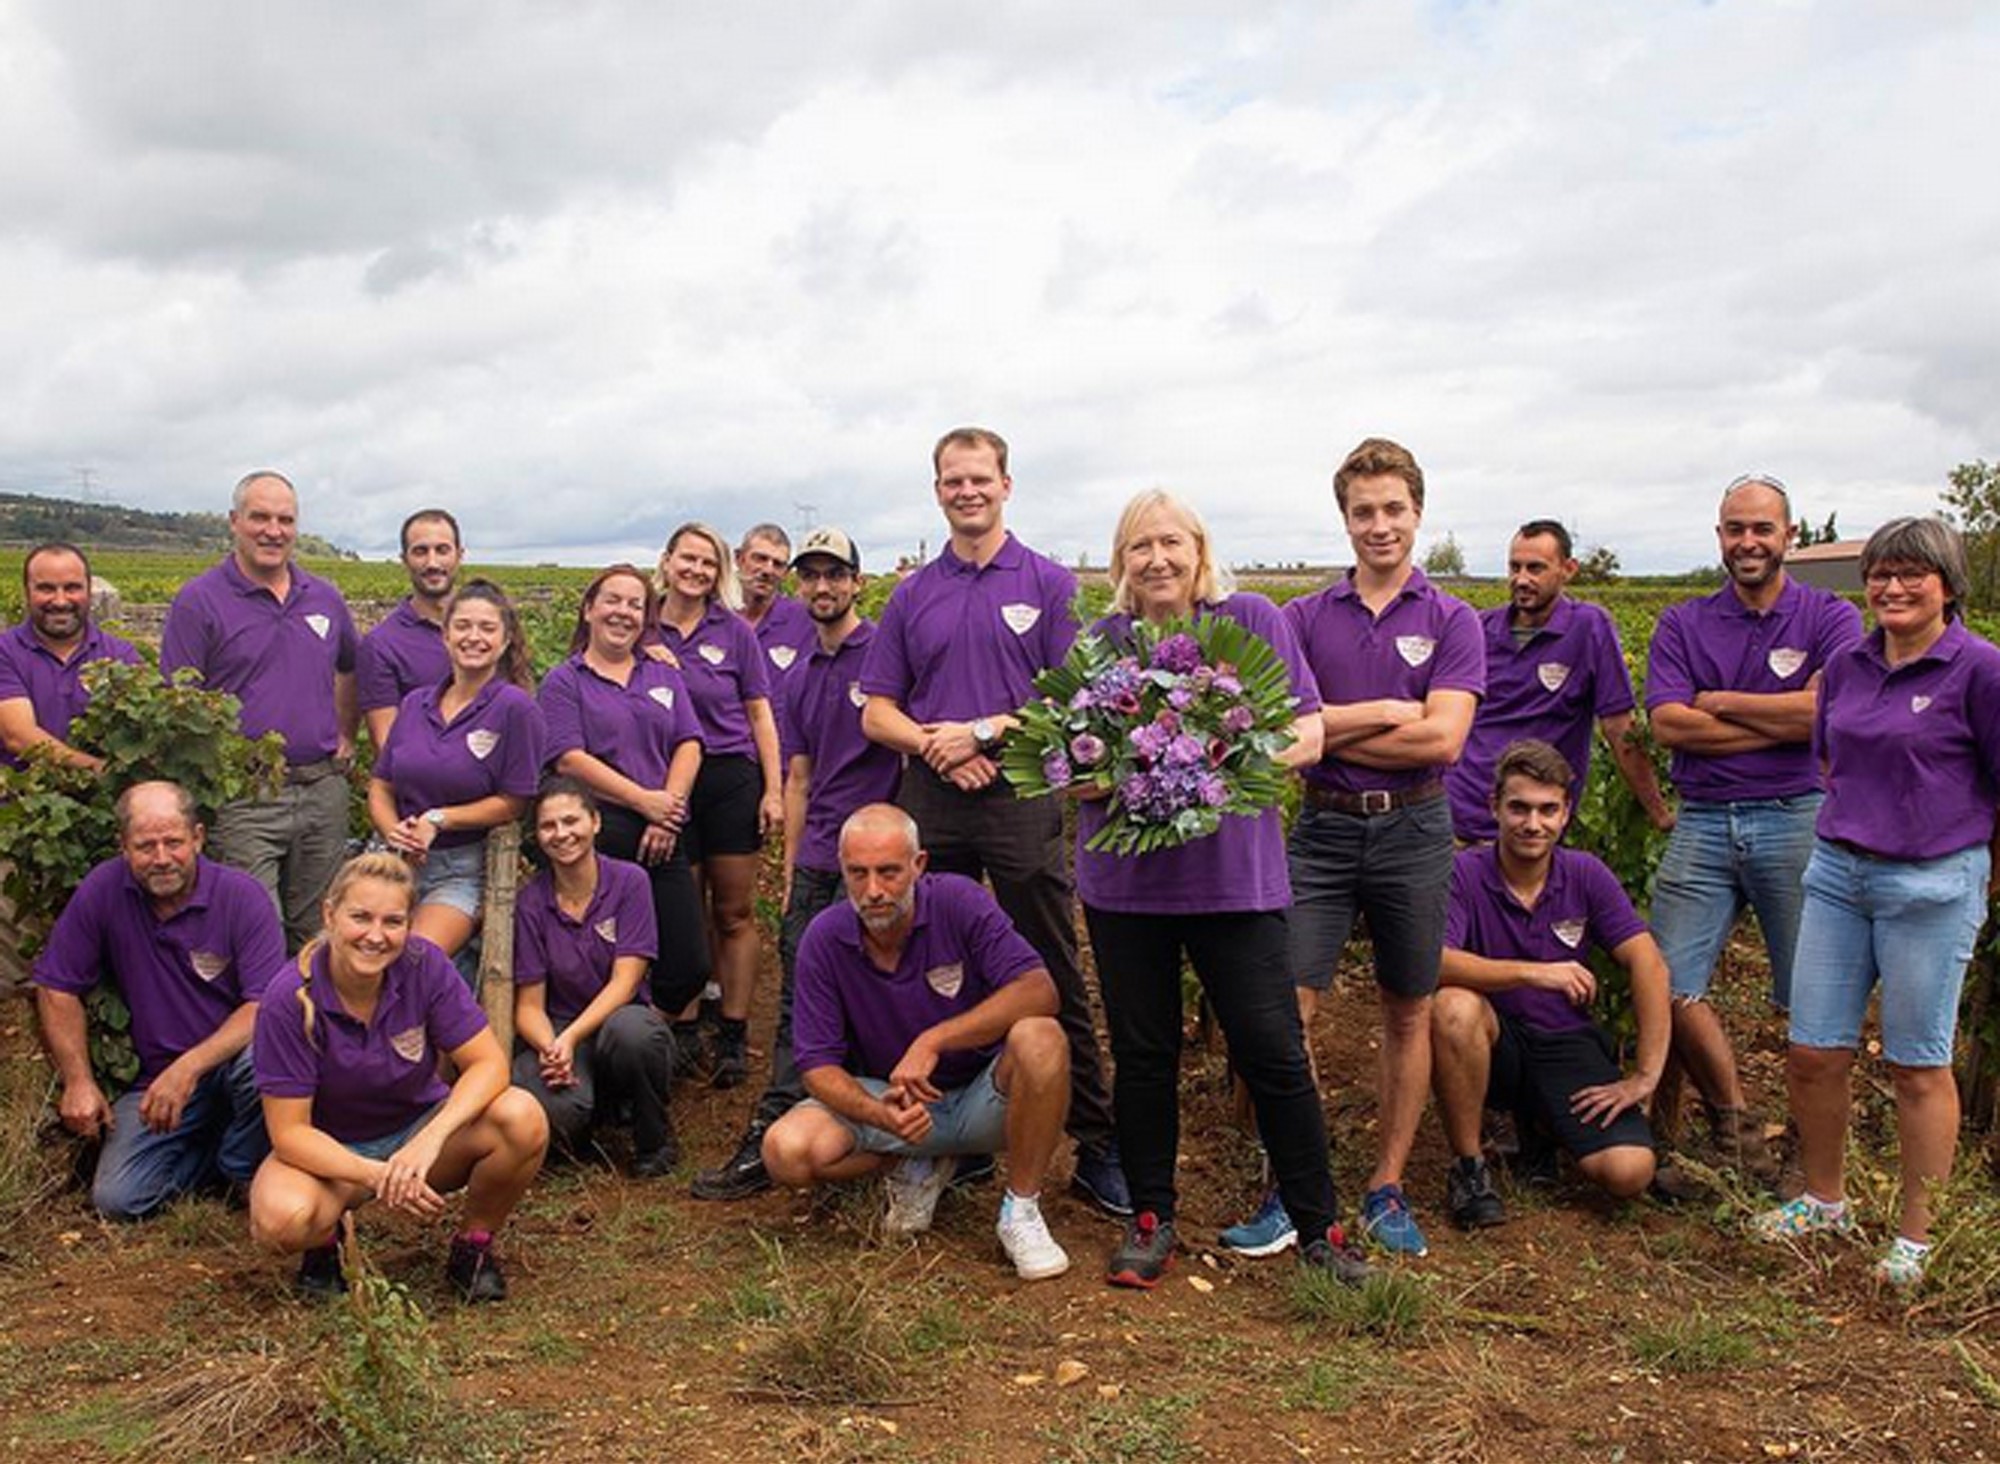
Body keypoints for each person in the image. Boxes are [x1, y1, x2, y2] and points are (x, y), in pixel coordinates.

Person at [1076, 490, 1370, 1288]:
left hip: (1234, 882)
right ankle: (1150, 1217)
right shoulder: (1100, 644)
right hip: (1125, 888)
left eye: (1172, 543)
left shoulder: (1252, 622)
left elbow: (1309, 730)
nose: (1158, 559)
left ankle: (1322, 1229)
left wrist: (1221, 767)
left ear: (1200, 552)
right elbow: (1067, 766)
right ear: (1121, 563)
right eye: (1140, 546)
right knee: (1143, 1055)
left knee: (1272, 1052)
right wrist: (1111, 771)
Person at [860, 426, 1127, 1214]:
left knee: (1047, 966)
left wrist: (983, 732)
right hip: (933, 801)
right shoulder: (912, 594)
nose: (967, 491)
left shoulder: (1046, 584)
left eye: (980, 479)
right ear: (937, 490)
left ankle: (1097, 1138)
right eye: (952, 481)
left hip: (1020, 796)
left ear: (1007, 485)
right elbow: (878, 710)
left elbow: (1075, 702)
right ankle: (963, 1135)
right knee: (932, 963)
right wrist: (935, 746)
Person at [1751, 518, 2000, 1290]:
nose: (1893, 587)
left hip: (1930, 885)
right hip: (1838, 875)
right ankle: (1825, 1201)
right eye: (1882, 573)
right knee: (1813, 1049)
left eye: (1912, 574)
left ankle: (1916, 1239)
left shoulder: (1981, 671)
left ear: (1949, 585)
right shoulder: (1848, 662)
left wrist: (1981, 877)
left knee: (1916, 1063)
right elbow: (1829, 754)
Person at [1271, 437, 1483, 1258]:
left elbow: (1445, 743)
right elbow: (1286, 737)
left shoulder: (1452, 618)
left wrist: (1331, 727)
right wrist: (1388, 713)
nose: (1379, 525)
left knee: (1408, 1008)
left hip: (1416, 827)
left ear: (1418, 514)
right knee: (1288, 1007)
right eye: (1364, 511)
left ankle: (1385, 1184)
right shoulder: (1301, 617)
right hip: (1321, 827)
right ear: (1345, 520)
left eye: (1393, 509)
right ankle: (1295, 1180)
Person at [1646, 474, 1862, 1186]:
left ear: (1789, 536)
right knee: (1667, 981)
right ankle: (1738, 1129)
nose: (1748, 542)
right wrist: (1782, 718)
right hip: (1703, 818)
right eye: (1735, 528)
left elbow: (1823, 717)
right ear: (1719, 537)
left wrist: (1720, 705)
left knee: (1814, 996)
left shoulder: (1831, 617)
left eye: (1762, 529)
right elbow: (1668, 723)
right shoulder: (1684, 622)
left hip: (1798, 814)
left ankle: (1810, 1149)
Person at [762, 805, 1073, 1281]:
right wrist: (879, 1115)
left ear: (919, 865)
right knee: (785, 1151)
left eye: (888, 872)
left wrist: (935, 1040)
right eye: (857, 874)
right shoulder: (824, 937)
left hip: (980, 1097)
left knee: (1041, 1036)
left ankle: (1021, 1210)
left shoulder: (959, 902)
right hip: (893, 1098)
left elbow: (1040, 989)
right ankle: (912, 1162)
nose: (873, 891)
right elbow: (816, 1064)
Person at [693, 527, 903, 1200]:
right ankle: (779, 1124)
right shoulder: (800, 674)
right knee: (800, 1004)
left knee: (883, 996)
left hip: (878, 864)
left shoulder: (885, 658)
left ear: (856, 583)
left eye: (833, 575)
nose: (821, 587)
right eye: (809, 576)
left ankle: (887, 1135)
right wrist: (790, 869)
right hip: (819, 860)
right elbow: (799, 776)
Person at [247, 852, 548, 1301]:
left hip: (418, 1133)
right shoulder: (288, 998)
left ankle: (474, 1247)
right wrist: (377, 1175)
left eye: (393, 921)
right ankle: (325, 1246)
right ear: (330, 915)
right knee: (279, 1221)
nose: (376, 935)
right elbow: (289, 1134)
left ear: (410, 924)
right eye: (360, 917)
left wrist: (431, 1139)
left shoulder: (424, 965)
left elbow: (489, 1064)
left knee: (522, 1116)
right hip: (333, 1153)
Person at [1432, 741, 1669, 1226]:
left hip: (1565, 1041)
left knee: (1630, 1172)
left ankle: (1539, 1128)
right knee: (1454, 1007)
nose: (1532, 823)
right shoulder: (1463, 873)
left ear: (1566, 814)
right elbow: (1433, 963)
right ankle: (1470, 1167)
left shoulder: (1584, 874)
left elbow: (1649, 963)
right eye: (1518, 807)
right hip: (1497, 1041)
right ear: (1493, 806)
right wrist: (1533, 971)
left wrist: (1645, 1076)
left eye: (1547, 810)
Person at [32, 781, 284, 1219]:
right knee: (118, 1201)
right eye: (146, 846)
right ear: (123, 847)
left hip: (232, 1064)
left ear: (199, 838)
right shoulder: (103, 889)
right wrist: (78, 1080)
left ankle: (243, 1163)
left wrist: (188, 1067)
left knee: (268, 1058)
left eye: (174, 842)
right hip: (156, 1080)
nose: (162, 858)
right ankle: (223, 1160)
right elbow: (57, 985)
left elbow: (262, 1005)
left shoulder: (242, 896)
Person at [160, 471, 360, 950]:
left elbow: (350, 668)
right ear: (234, 522)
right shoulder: (199, 601)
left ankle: (315, 1024)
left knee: (322, 932)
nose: (274, 530)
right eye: (260, 518)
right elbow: (177, 702)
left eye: (285, 519)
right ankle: (265, 1026)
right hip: (245, 799)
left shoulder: (324, 598)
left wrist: (346, 736)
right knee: (257, 932)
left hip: (321, 790)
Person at [537, 565, 710, 1022]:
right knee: (601, 955)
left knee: (689, 964)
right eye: (612, 600)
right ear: (589, 609)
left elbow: (689, 743)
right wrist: (642, 801)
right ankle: (604, 1047)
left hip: (662, 826)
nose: (623, 612)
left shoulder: (662, 675)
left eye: (635, 604)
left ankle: (642, 1038)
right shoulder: (564, 680)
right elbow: (568, 758)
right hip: (599, 830)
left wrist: (666, 810)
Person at [650, 523, 783, 1088]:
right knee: (683, 912)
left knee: (732, 911)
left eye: (709, 563)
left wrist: (773, 790)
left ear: (719, 572)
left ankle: (731, 1029)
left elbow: (759, 714)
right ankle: (681, 1029)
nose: (698, 571)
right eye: (689, 559)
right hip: (664, 779)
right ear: (668, 560)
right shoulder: (640, 622)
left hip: (728, 775)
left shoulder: (733, 632)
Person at [1445, 520, 1673, 843]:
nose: (1521, 579)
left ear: (1568, 569)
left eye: (1535, 568)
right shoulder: (1480, 628)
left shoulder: (1589, 628)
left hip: (1533, 822)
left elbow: (1619, 727)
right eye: (1515, 567)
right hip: (1460, 816)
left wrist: (1658, 812)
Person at [368, 580, 543, 961]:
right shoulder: (416, 704)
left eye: (487, 628)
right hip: (394, 857)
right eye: (463, 626)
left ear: (506, 639)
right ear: (445, 636)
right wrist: (392, 830)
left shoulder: (515, 708)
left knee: (413, 958)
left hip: (461, 868)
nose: (473, 637)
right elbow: (381, 784)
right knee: (353, 951)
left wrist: (438, 820)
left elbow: (515, 801)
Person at [512, 778, 679, 1176]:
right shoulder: (530, 902)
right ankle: (588, 1122)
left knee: (635, 1036)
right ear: (537, 835)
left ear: (596, 822)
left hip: (619, 1019)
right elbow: (528, 1005)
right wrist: (553, 1047)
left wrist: (571, 1038)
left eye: (572, 821)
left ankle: (653, 1140)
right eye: (548, 826)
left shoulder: (629, 882)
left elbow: (626, 981)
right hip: (559, 1024)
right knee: (551, 1111)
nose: (562, 834)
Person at [0, 541, 143, 772]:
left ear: (88, 590)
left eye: (72, 588)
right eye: (46, 588)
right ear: (26, 592)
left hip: (102, 804)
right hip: (17, 803)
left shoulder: (121, 655)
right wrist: (99, 770)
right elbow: (17, 736)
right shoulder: (4, 652)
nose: (60, 600)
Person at [357, 509, 464, 747]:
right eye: (420, 551)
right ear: (404, 559)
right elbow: (388, 748)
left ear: (460, 555)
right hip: (425, 782)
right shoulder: (381, 645)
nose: (432, 562)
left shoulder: (489, 631)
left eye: (442, 550)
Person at [734, 523, 818, 755]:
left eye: (778, 564)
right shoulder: (712, 619)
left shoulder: (806, 620)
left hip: (785, 761)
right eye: (759, 559)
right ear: (739, 559)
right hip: (726, 761)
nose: (768, 570)